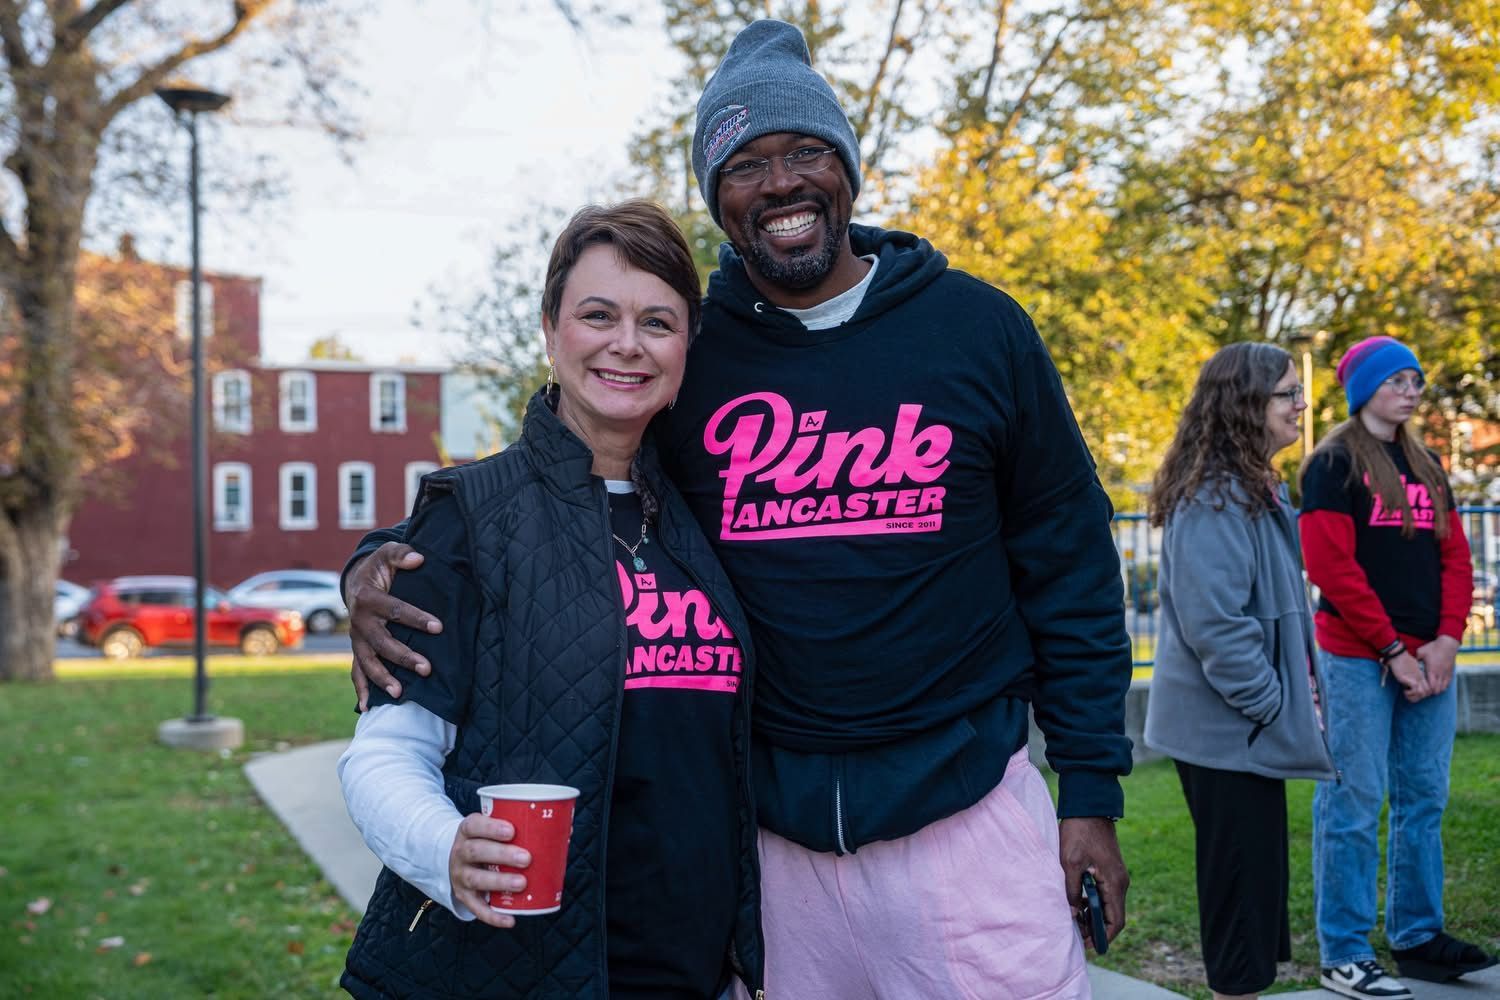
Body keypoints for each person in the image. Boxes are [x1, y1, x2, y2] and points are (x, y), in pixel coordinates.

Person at [345, 20, 1132, 998]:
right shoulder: (694, 352)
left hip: (965, 817)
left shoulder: (978, 329)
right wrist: (385, 554)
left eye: (806, 152)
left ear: (848, 168)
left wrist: (1090, 792)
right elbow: (562, 477)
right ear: (718, 196)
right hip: (771, 852)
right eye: (746, 164)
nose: (781, 182)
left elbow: (1070, 563)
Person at [336, 200, 765, 999]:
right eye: (598, 315)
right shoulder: (470, 516)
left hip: (688, 970)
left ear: (687, 346)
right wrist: (444, 848)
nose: (627, 343)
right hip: (512, 968)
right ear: (549, 330)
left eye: (658, 322)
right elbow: (386, 753)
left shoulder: (705, 509)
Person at [1299, 336, 1496, 999]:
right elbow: (1331, 567)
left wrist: (1446, 640)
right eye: (1397, 380)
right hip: (1359, 658)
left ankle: (1417, 938)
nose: (1411, 390)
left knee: (1424, 800)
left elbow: (1456, 558)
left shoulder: (1427, 463)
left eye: (1416, 380)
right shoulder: (1332, 465)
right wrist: (1392, 651)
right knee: (1352, 801)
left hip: (1428, 658)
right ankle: (1345, 953)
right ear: (1365, 390)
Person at [1143, 343, 1337, 1000]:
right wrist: (1269, 703)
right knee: (1238, 900)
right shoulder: (1216, 498)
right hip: (1228, 735)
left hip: (1244, 735)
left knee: (1252, 894)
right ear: (1246, 404)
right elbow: (1216, 624)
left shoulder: (1249, 489)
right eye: (1288, 393)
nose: (1301, 404)